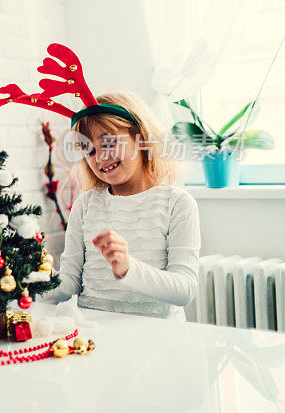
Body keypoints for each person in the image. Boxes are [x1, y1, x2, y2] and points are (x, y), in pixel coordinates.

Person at [41, 90, 200, 320]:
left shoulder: (177, 203)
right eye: (90, 151)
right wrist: (30, 279)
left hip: (158, 339)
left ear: (141, 137)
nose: (100, 158)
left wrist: (129, 268)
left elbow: (185, 290)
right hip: (94, 334)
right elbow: (69, 285)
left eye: (108, 143)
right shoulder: (85, 205)